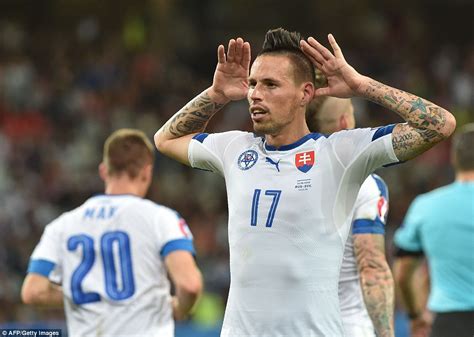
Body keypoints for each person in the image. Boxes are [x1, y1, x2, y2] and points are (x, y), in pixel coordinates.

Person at [154, 28, 456, 336]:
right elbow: (165, 140)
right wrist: (215, 95)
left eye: (271, 85)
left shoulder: (340, 153)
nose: (256, 94)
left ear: (305, 93)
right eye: (254, 84)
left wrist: (362, 86)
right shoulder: (235, 149)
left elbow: (439, 125)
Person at [21, 129, 203, 337]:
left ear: (103, 171)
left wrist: (92, 294)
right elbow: (190, 285)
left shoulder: (62, 225)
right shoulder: (161, 218)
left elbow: (33, 291)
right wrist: (180, 308)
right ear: (147, 172)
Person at [306, 93, 394, 337]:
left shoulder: (286, 176)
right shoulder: (364, 185)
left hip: (296, 325)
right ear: (345, 122)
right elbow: (371, 267)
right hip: (349, 327)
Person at [394, 123, 474, 337]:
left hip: (450, 324)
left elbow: (403, 273)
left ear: (454, 159)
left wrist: (415, 315)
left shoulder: (425, 206)